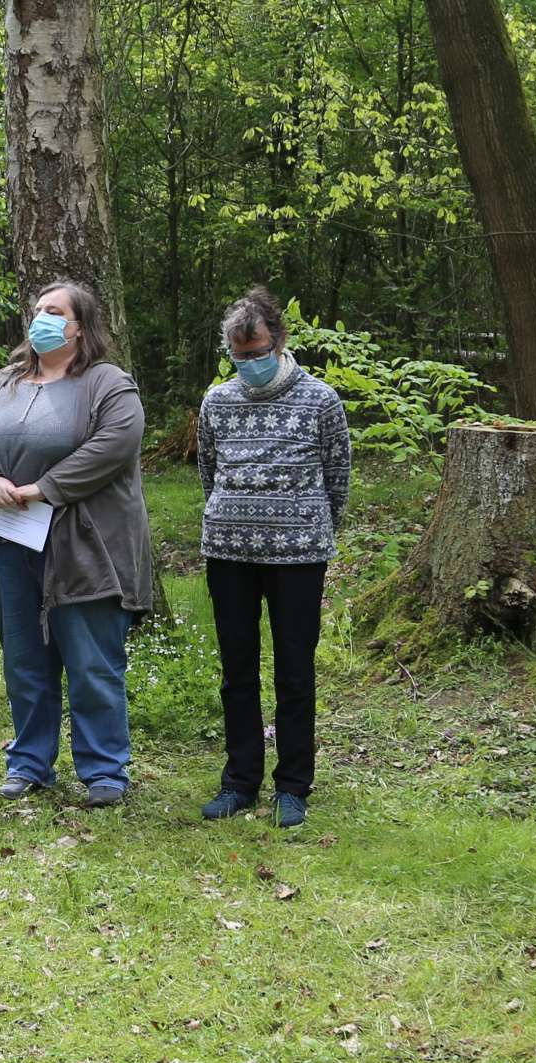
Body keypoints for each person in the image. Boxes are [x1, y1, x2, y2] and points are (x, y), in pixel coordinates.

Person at [0, 280, 153, 804]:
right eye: (38, 310)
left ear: (80, 325)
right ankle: (30, 763)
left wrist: (45, 488)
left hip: (85, 545)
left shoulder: (108, 382)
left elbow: (117, 442)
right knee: (24, 659)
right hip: (10, 540)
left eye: (54, 311)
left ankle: (105, 771)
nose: (41, 318)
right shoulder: (6, 382)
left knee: (90, 658)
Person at [196, 287, 351, 828]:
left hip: (300, 556)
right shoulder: (217, 401)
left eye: (257, 350)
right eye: (239, 355)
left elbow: (338, 477)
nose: (249, 362)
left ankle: (293, 786)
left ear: (278, 341)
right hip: (229, 553)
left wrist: (305, 523)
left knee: (294, 670)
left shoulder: (320, 400)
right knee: (237, 669)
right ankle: (239, 781)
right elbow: (208, 473)